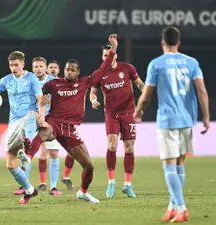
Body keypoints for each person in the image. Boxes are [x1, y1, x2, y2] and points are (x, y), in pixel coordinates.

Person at [18, 34, 119, 203]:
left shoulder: (84, 83)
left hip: (70, 130)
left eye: (73, 69)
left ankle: (83, 192)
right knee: (43, 131)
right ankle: (27, 158)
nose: (69, 72)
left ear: (78, 72)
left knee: (89, 165)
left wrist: (114, 48)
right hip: (54, 123)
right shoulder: (53, 84)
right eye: (67, 69)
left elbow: (104, 69)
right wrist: (42, 108)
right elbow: (39, 95)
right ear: (63, 71)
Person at [134, 27, 210, 222]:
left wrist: (138, 110)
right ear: (179, 42)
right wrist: (206, 116)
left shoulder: (156, 64)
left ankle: (181, 207)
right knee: (179, 164)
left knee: (169, 165)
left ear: (162, 42)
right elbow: (201, 90)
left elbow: (148, 93)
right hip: (187, 119)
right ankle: (172, 207)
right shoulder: (191, 62)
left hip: (167, 120)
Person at [0, 51, 46, 204]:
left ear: (23, 64)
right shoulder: (6, 80)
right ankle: (29, 190)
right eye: (11, 65)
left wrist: (42, 118)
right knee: (10, 164)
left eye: (16, 65)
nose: (13, 68)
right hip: (13, 123)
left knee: (31, 115)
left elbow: (40, 98)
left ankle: (27, 149)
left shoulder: (31, 78)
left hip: (29, 119)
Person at [89, 41, 145, 198]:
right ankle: (111, 182)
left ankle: (128, 185)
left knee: (129, 147)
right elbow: (92, 93)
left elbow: (139, 84)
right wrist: (93, 101)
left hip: (129, 113)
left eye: (110, 55)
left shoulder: (127, 68)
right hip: (112, 114)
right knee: (112, 145)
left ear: (115, 55)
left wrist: (144, 89)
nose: (108, 58)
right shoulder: (99, 73)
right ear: (102, 57)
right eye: (105, 56)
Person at [13, 56, 63, 195]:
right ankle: (25, 186)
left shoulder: (54, 82)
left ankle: (53, 187)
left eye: (41, 66)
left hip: (50, 120)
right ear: (32, 68)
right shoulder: (27, 81)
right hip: (32, 119)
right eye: (35, 66)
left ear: (46, 68)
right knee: (27, 151)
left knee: (53, 152)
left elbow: (60, 101)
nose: (38, 69)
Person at [47, 59, 76, 190]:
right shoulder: (43, 84)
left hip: (65, 122)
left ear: (60, 70)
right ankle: (42, 184)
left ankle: (65, 177)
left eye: (55, 67)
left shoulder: (62, 84)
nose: (53, 69)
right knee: (43, 153)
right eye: (50, 67)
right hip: (47, 122)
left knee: (73, 151)